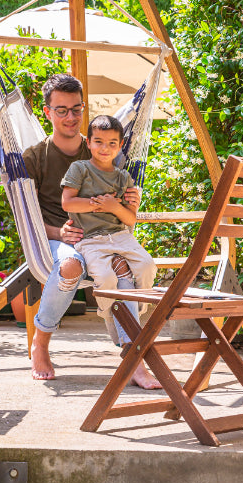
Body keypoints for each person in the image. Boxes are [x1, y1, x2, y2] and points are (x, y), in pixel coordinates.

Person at [23, 74, 161, 388]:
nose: (70, 117)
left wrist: (133, 201)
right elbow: (26, 219)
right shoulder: (34, 157)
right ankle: (40, 343)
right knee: (71, 266)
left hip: (104, 236)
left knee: (125, 270)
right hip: (57, 238)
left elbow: (124, 209)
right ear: (47, 113)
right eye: (61, 110)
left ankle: (131, 357)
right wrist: (58, 233)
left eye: (76, 109)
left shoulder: (103, 148)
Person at [61, 114, 157, 349]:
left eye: (112, 143)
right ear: (89, 142)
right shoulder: (80, 169)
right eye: (99, 142)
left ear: (120, 145)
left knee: (147, 266)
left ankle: (134, 310)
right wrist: (99, 204)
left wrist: (115, 207)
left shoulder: (124, 177)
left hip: (122, 236)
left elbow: (129, 218)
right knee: (105, 279)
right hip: (91, 240)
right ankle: (109, 313)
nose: (105, 148)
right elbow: (68, 203)